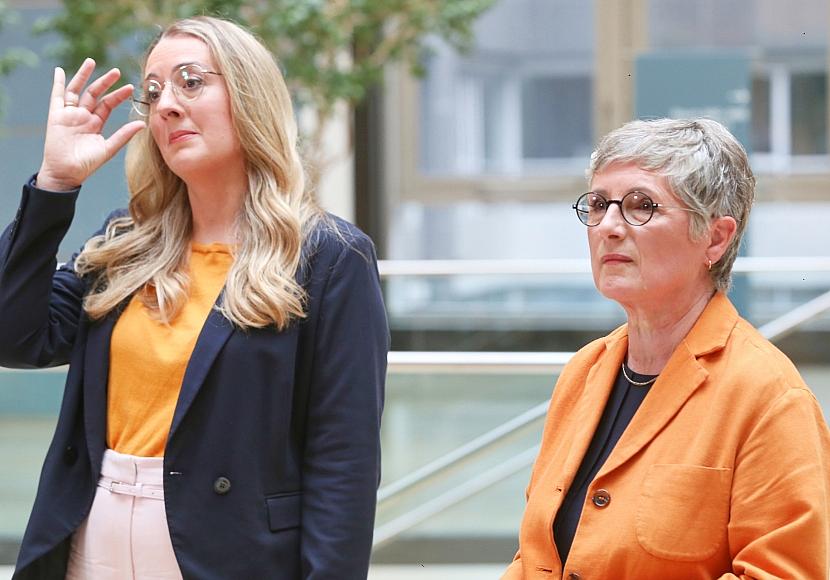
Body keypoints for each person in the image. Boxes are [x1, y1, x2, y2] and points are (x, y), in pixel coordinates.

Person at [0, 15, 388, 580]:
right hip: (91, 537)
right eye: (154, 92)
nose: (166, 106)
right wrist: (55, 185)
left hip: (230, 552)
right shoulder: (125, 241)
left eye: (191, 82)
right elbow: (14, 337)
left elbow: (343, 460)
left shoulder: (329, 256)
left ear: (249, 95)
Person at [503, 118, 830, 579]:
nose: (608, 226)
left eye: (641, 206)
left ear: (715, 237)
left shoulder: (768, 395)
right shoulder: (585, 370)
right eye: (598, 204)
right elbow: (536, 555)